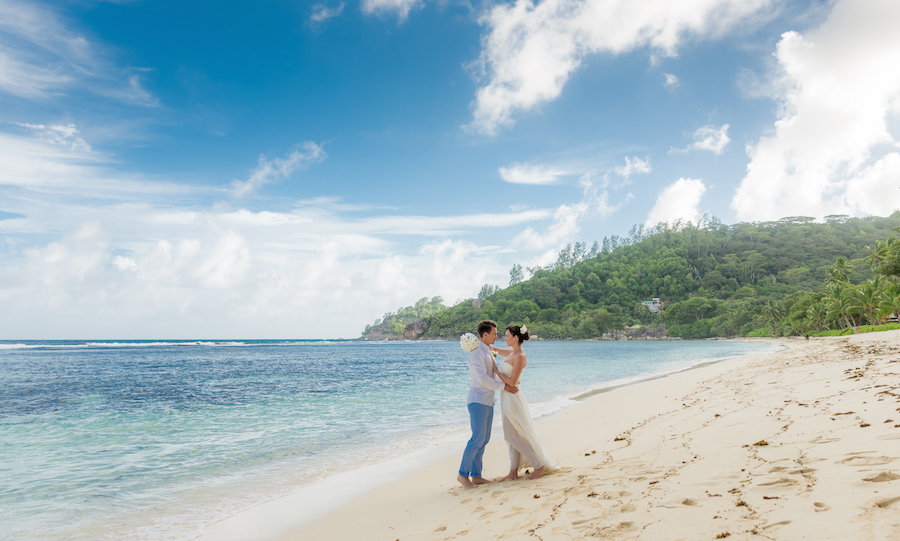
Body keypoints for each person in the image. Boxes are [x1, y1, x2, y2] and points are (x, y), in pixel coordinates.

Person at [491, 324, 558, 480]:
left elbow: (513, 382)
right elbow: (495, 350)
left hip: (513, 397)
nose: (504, 338)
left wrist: (496, 371)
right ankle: (513, 472)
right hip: (506, 396)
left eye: (507, 335)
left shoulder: (520, 355)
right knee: (512, 434)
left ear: (515, 338)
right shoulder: (512, 353)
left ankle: (538, 465)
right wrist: (480, 345)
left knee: (510, 435)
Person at [457, 320, 518, 489]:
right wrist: (504, 387)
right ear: (485, 335)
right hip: (477, 400)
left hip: (488, 400)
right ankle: (463, 475)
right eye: (494, 334)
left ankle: (476, 476)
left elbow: (494, 374)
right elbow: (483, 380)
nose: (496, 336)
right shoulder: (476, 354)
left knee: (484, 439)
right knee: (476, 439)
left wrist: (509, 382)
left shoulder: (489, 351)